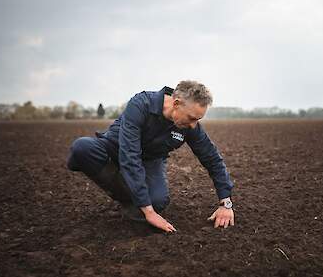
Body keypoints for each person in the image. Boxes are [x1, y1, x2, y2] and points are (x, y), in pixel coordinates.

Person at [66, 80, 235, 233]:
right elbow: (129, 155)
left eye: (198, 120)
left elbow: (212, 158)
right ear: (176, 103)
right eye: (191, 118)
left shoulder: (190, 126)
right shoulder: (141, 104)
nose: (193, 125)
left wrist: (226, 203)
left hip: (149, 161)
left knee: (158, 200)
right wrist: (148, 211)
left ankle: (132, 201)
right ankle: (135, 200)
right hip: (116, 149)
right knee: (82, 148)